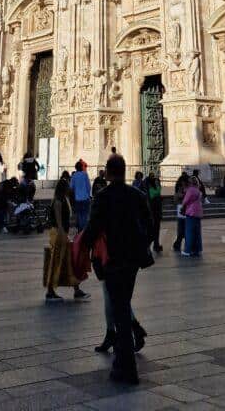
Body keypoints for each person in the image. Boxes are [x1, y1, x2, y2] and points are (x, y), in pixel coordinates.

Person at [83, 155, 153, 385]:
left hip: (112, 261)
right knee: (122, 306)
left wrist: (83, 247)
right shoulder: (138, 195)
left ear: (109, 173)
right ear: (123, 172)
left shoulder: (103, 197)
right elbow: (150, 226)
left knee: (120, 310)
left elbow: (92, 230)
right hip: (132, 262)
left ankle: (127, 369)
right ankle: (121, 364)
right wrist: (141, 245)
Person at [44, 177, 88, 303]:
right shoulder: (58, 201)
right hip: (58, 234)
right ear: (63, 188)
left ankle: (76, 289)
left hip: (62, 233)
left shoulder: (65, 199)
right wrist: (63, 235)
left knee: (69, 262)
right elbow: (58, 221)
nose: (70, 188)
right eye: (68, 186)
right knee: (57, 263)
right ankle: (51, 291)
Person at [181, 175, 203, 257]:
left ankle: (187, 250)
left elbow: (185, 200)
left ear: (190, 182)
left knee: (189, 232)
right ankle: (197, 250)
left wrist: (183, 207)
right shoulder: (198, 190)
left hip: (191, 212)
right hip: (198, 212)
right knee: (197, 233)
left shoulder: (190, 190)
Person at [71, 160, 92, 231]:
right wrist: (88, 195)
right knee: (85, 215)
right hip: (86, 198)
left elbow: (71, 187)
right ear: (81, 167)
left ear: (76, 168)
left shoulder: (74, 176)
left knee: (79, 215)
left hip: (78, 199)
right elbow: (89, 186)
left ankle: (80, 231)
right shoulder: (85, 174)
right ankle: (84, 231)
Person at [146, 172, 163, 253]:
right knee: (152, 230)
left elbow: (158, 192)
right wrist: (157, 186)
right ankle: (147, 246)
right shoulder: (149, 186)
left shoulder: (154, 186)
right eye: (152, 176)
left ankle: (156, 245)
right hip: (152, 211)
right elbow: (154, 194)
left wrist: (157, 185)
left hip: (157, 211)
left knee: (156, 229)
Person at [173, 173, 189, 252]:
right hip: (181, 209)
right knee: (181, 228)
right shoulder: (179, 187)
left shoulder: (188, 188)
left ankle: (183, 244)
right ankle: (178, 244)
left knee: (185, 228)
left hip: (186, 209)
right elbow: (176, 198)